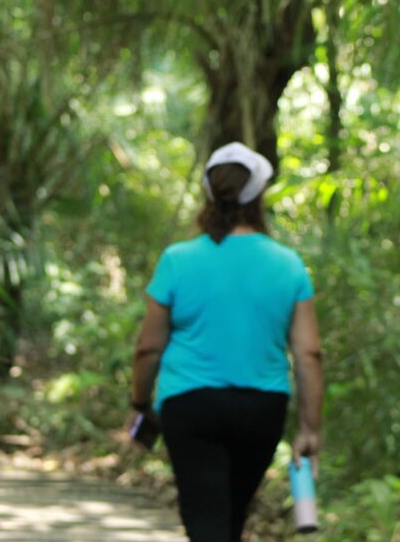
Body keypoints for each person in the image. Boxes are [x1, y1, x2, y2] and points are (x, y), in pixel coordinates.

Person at [129, 142, 323, 542]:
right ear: (258, 198)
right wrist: (309, 427)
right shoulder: (288, 263)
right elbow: (308, 353)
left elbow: (148, 347)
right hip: (262, 408)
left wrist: (140, 404)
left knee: (206, 521)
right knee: (231, 519)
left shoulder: (178, 260)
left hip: (190, 405)